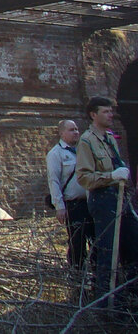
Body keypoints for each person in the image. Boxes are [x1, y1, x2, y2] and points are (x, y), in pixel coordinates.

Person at [76, 96, 138, 296]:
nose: (111, 115)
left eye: (112, 111)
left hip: (120, 197)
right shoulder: (87, 141)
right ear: (94, 115)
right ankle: (107, 303)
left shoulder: (110, 138)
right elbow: (84, 178)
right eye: (106, 111)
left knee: (133, 245)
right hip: (103, 200)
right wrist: (111, 176)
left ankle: (131, 297)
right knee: (108, 253)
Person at [48, 119, 93, 273]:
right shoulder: (56, 154)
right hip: (73, 205)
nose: (76, 132)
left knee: (95, 240)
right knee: (77, 243)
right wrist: (59, 207)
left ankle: (96, 276)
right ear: (61, 133)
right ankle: (77, 276)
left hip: (90, 202)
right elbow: (53, 181)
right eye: (71, 130)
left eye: (76, 129)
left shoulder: (83, 150)